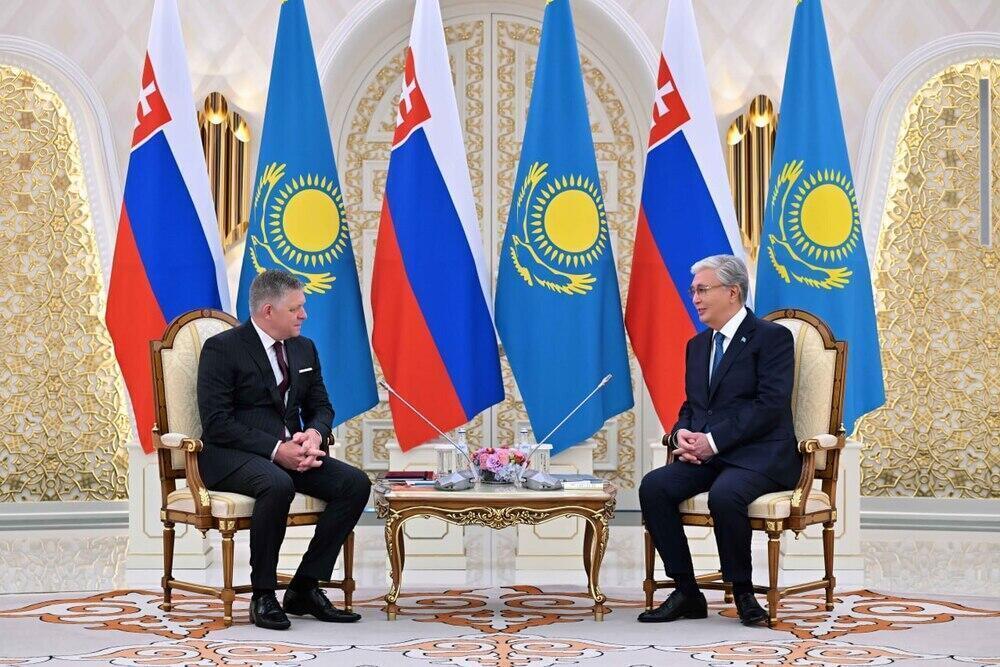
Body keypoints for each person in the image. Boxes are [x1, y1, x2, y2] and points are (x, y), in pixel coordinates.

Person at [197, 269, 371, 630]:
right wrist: (277, 449)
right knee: (277, 484)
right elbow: (217, 423)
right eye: (295, 308)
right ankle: (263, 595)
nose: (304, 315)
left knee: (354, 484)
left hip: (290, 453)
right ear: (267, 311)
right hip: (230, 456)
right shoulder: (222, 349)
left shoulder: (304, 347)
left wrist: (315, 435)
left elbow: (322, 406)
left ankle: (304, 587)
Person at [638, 254, 799, 627]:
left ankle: (743, 592)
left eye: (702, 290)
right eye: (693, 291)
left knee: (726, 495)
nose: (694, 298)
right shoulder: (697, 345)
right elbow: (693, 405)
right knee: (655, 487)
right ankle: (686, 592)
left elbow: (770, 405)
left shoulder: (772, 338)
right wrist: (681, 434)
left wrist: (713, 441)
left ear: (733, 292)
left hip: (759, 456)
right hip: (709, 456)